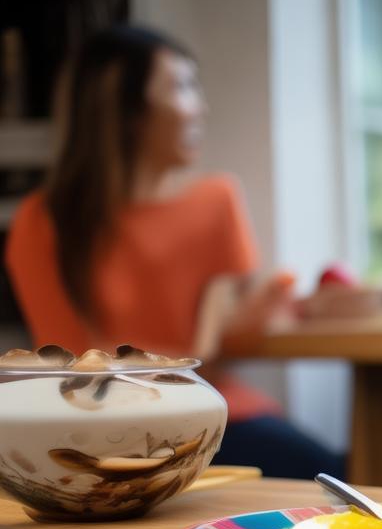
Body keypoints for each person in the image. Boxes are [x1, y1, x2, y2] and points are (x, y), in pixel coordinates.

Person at [4, 24, 344, 480]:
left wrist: (275, 313)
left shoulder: (217, 201)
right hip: (93, 432)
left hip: (212, 415)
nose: (200, 106)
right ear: (127, 112)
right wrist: (213, 344)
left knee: (335, 473)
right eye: (182, 87)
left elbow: (210, 351)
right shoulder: (43, 221)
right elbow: (71, 369)